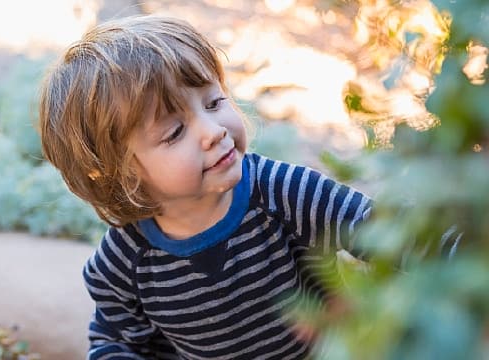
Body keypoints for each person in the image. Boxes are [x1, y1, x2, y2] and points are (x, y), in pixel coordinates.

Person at [39, 15, 372, 359]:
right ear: (122, 174)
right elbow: (117, 342)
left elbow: (385, 232)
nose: (214, 131)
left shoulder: (286, 194)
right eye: (175, 132)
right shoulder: (125, 264)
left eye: (214, 103)